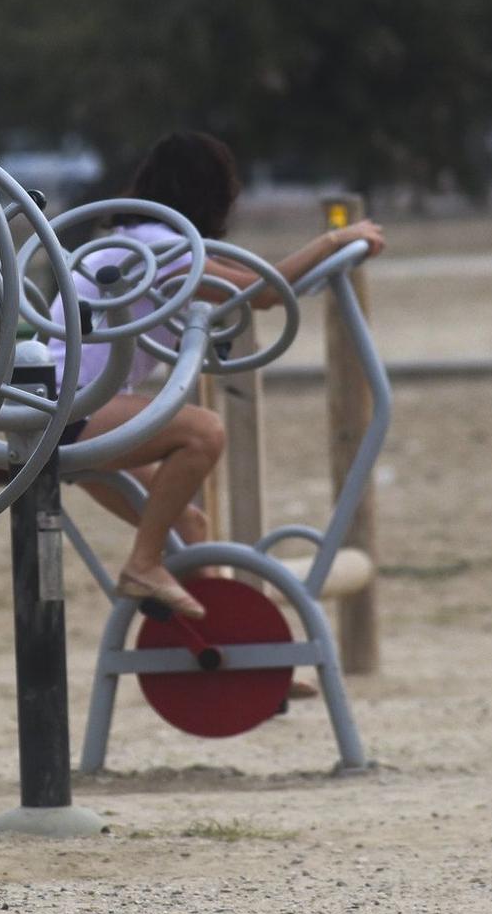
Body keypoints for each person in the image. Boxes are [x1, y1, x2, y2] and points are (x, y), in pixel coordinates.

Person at [50, 131, 386, 620]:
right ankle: (143, 565)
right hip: (68, 405)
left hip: (73, 405)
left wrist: (322, 257)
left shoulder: (141, 243)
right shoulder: (163, 252)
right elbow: (264, 292)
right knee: (204, 432)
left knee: (189, 523)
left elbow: (252, 282)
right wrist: (335, 238)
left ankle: (231, 646)